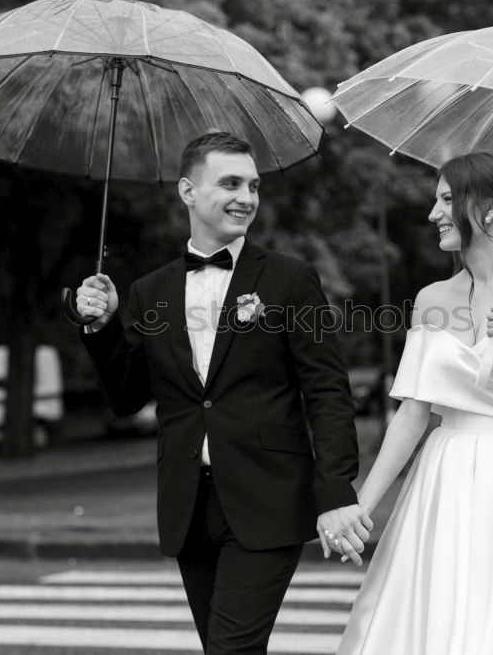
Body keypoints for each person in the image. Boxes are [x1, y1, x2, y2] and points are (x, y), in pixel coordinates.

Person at [74, 132, 371, 654]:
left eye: (253, 186)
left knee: (231, 649)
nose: (247, 197)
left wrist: (335, 490)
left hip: (269, 498)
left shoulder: (290, 280)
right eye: (230, 183)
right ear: (188, 191)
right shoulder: (150, 291)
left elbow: (327, 390)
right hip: (190, 504)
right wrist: (101, 329)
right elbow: (127, 398)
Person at [335, 151, 493, 654]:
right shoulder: (432, 299)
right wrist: (362, 506)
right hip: (444, 472)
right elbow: (412, 413)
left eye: (446, 199)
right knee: (433, 613)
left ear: (489, 208)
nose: (433, 213)